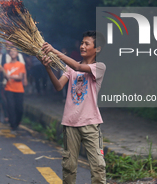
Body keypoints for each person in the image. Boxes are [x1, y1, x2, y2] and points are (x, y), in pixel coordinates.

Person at [39, 31, 106, 184]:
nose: (82, 46)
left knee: (98, 167)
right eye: (82, 43)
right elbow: (58, 86)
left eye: (87, 44)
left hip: (90, 123)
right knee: (69, 166)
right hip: (70, 123)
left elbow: (77, 66)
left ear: (97, 49)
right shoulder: (69, 69)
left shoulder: (99, 67)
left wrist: (55, 51)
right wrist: (48, 69)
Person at [3, 47, 26, 135]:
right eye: (11, 51)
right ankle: (13, 126)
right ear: (9, 54)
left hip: (19, 89)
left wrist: (10, 76)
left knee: (19, 109)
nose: (13, 52)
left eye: (14, 51)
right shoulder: (6, 65)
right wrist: (6, 76)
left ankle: (17, 122)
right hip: (9, 89)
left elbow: (20, 77)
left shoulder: (21, 65)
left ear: (17, 54)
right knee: (11, 107)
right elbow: (5, 76)